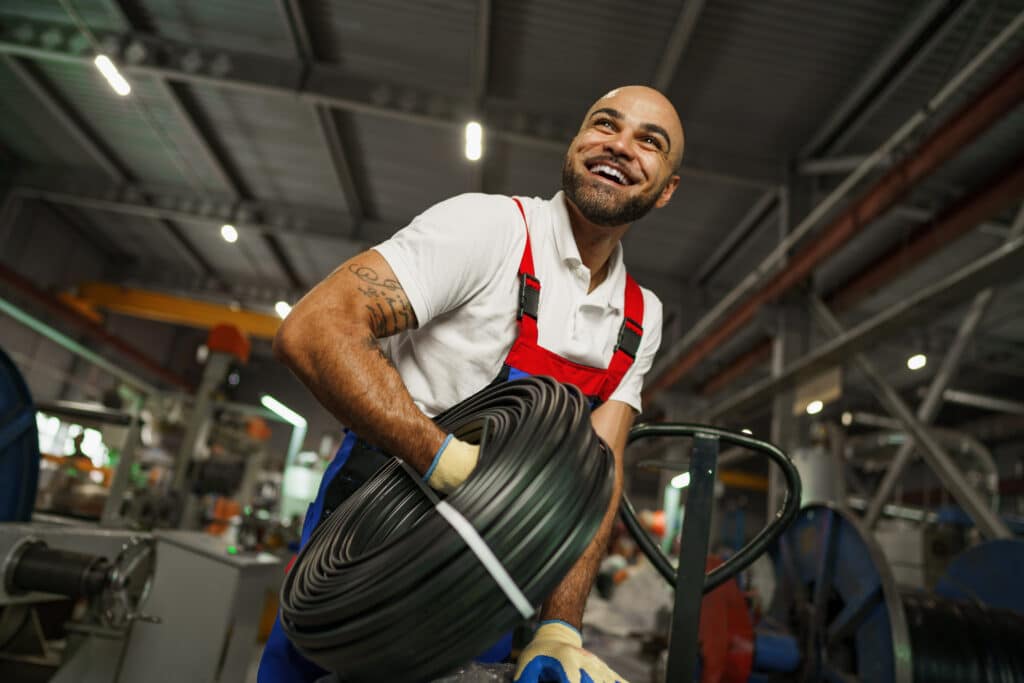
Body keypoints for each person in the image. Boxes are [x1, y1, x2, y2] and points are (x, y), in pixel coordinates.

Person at [259, 85, 685, 683]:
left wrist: (560, 627)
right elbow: (313, 330)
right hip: (366, 554)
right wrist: (446, 463)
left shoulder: (640, 317)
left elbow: (599, 468)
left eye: (649, 141)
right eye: (605, 124)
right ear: (576, 143)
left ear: (666, 188)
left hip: (492, 586)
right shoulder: (489, 229)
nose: (618, 144)